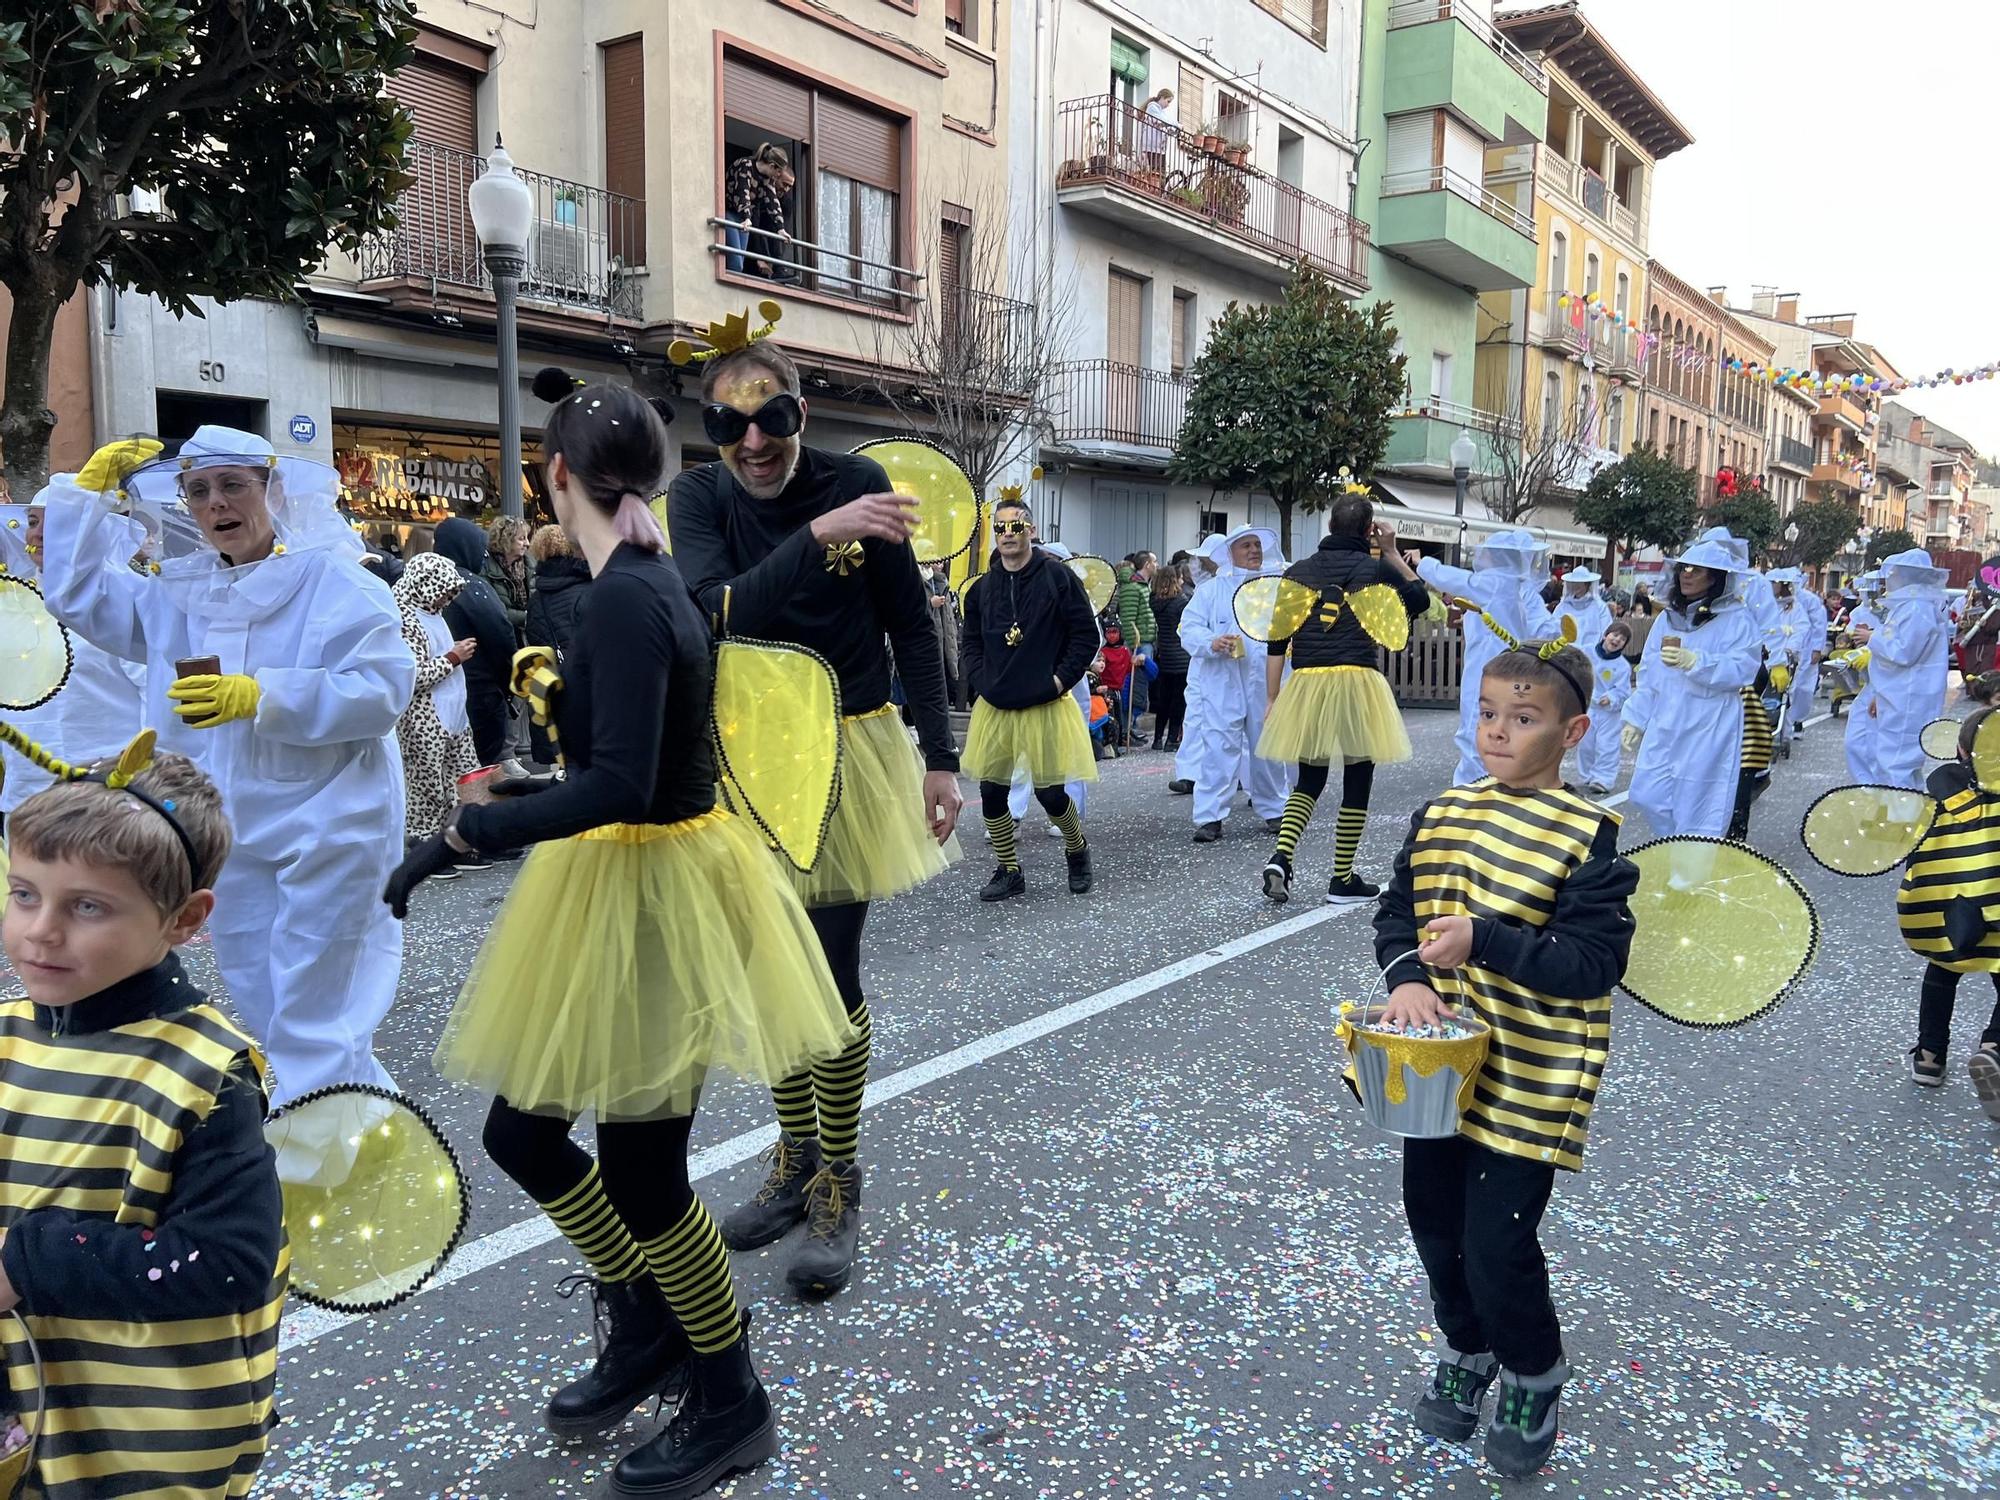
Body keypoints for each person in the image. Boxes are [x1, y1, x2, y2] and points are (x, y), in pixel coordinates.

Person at [387, 381, 852, 1497]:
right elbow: (609, 764)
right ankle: (645, 1320)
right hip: (621, 879)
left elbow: (620, 784)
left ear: (555, 476)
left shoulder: (633, 597)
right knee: (525, 1135)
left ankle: (730, 1395)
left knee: (646, 1173)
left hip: (657, 892)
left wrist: (467, 832)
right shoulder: (625, 585)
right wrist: (523, 783)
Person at [669, 319, 961, 1297]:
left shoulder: (857, 487)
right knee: (767, 972)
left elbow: (908, 628)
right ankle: (792, 1159)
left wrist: (938, 756)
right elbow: (715, 612)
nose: (752, 442)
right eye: (727, 423)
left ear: (802, 411)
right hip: (745, 765)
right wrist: (818, 538)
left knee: (826, 972)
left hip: (845, 755)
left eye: (773, 418)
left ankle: (836, 1174)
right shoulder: (699, 494)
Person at [42, 428, 412, 1105]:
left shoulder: (332, 580)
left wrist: (263, 696)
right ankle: (330, 1137)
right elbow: (79, 597)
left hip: (332, 820)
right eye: (198, 490)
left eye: (232, 484)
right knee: (260, 989)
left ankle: (326, 1153)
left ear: (272, 490)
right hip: (234, 828)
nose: (216, 503)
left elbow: (383, 689)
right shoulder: (178, 594)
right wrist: (83, 500)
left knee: (319, 1007)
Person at [1373, 640, 1638, 1481]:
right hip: (1438, 1069)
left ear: (1572, 733)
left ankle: (1532, 1367)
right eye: (1487, 713)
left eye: (1523, 719)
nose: (1497, 731)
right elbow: (1397, 911)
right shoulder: (1442, 813)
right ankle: (1468, 1345)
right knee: (1434, 1225)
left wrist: (1484, 941)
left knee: (1497, 1243)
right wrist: (1410, 976)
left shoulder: (1592, 837)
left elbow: (1592, 965)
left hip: (1532, 1075)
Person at [0, 750, 288, 1500]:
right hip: (27, 1416)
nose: (42, 932)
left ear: (186, 918)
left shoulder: (205, 1073)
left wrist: (25, 1262)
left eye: (87, 906)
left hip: (145, 1441)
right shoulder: (6, 1036)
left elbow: (227, 1262)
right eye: (24, 894)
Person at [1258, 497, 1425, 904]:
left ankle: (1281, 857)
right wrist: (1391, 552)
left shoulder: (1298, 572)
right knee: (1357, 777)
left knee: (1309, 779)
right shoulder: (1377, 568)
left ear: (1330, 525)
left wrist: (1273, 699)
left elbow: (1277, 640)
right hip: (1356, 679)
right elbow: (1420, 602)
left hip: (1308, 681)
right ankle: (1342, 878)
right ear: (1369, 529)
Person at [961, 495, 1098, 900]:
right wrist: (982, 680)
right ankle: (1008, 869)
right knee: (991, 793)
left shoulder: (1058, 579)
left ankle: (1077, 850)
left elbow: (1085, 636)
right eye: (999, 528)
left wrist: (1058, 682)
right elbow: (970, 643)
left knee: (1051, 793)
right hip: (997, 706)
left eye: (1015, 526)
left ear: (1032, 531)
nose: (1007, 534)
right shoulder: (982, 589)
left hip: (1045, 705)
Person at [0, 494, 146, 822]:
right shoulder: (14, 604)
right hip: (25, 796)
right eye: (33, 521)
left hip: (107, 795)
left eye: (56, 523)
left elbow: (158, 695)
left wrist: (143, 775)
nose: (36, 534)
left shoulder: (124, 600)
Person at [1619, 531, 1762, 839]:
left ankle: (1689, 876)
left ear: (1715, 578)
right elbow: (1649, 674)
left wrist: (1696, 662)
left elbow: (1743, 668)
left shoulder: (1737, 619)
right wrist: (1636, 717)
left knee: (1698, 806)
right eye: (1684, 568)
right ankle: (1674, 851)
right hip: (1666, 718)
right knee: (1648, 793)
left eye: (1696, 569)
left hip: (1709, 723)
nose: (1686, 574)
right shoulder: (1668, 618)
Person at [1898, 707, 2000, 1110]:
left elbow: (1915, 856)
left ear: (1960, 751)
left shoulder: (1940, 798)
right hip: (1997, 909)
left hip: (1947, 911)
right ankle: (1993, 1047)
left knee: (1941, 975)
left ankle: (1929, 1056)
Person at [1181, 524, 1290, 843]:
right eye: (1247, 546)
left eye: (1257, 545)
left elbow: (1289, 627)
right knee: (1219, 745)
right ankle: (1210, 816)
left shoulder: (1273, 588)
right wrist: (1212, 642)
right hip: (1222, 680)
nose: (1254, 550)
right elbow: (1187, 629)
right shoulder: (1211, 591)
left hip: (1265, 679)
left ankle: (1274, 809)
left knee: (1267, 744)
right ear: (1230, 553)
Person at [1416, 531, 1550, 786]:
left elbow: (1453, 579)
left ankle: (1472, 799)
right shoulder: (1517, 588)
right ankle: (1496, 790)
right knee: (1500, 731)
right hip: (1511, 670)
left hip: (1487, 670)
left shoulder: (1495, 583)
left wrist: (1422, 562)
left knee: (1475, 732)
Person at [391, 552, 479, 861]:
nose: (447, 598)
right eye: (443, 591)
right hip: (423, 718)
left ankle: (461, 840)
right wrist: (453, 658)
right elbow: (412, 676)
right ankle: (424, 849)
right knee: (427, 787)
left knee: (464, 781)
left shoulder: (432, 612)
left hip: (453, 713)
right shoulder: (404, 617)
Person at [1848, 549, 1951, 789]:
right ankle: (1904, 814)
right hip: (1898, 696)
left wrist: (1872, 637)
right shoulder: (1911, 606)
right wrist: (1878, 693)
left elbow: (1904, 651)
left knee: (1897, 764)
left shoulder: (1918, 608)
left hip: (1909, 699)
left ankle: (1902, 819)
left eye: (1893, 573)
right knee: (1891, 761)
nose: (1888, 579)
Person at [433, 517, 520, 773]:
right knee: (475, 772)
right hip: (477, 692)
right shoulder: (471, 587)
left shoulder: (421, 583)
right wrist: (509, 682)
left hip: (432, 697)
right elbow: (500, 633)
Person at [526, 523, 591, 765]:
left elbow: (534, 638)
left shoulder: (537, 598)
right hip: (586, 685)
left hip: (553, 684)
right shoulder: (589, 588)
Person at [1767, 567, 1826, 741]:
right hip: (1764, 655)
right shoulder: (1763, 605)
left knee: (1793, 691)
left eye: (1775, 583)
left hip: (1789, 656)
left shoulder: (1796, 607)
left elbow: (1806, 628)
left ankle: (1787, 728)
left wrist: (1793, 648)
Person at [723, 143, 795, 279]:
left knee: (739, 265)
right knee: (736, 263)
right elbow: (741, 192)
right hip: (730, 213)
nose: (777, 176)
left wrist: (780, 228)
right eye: (778, 172)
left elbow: (772, 202)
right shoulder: (746, 165)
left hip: (744, 220)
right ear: (772, 166)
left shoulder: (767, 180)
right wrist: (746, 217)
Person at [1577, 620, 1632, 795]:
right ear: (1605, 635)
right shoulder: (1587, 652)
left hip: (1609, 714)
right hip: (1588, 708)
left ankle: (1603, 779)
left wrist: (1611, 698)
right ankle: (1586, 776)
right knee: (1586, 744)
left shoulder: (1622, 666)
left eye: (1622, 639)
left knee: (1606, 746)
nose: (1617, 640)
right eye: (1615, 635)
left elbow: (1623, 690)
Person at [1149, 561, 1192, 752]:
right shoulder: (1181, 602)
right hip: (1181, 655)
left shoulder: (1154, 601)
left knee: (1163, 699)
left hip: (1165, 654)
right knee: (1178, 700)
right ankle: (1172, 738)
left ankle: (1157, 738)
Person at [1113, 558, 1156, 738]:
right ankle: (1126, 728)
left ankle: (1131, 726)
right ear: (1147, 564)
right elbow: (1129, 618)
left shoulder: (1142, 585)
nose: (1157, 564)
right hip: (1139, 642)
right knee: (1133, 686)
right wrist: (1133, 646)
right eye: (1154, 561)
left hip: (1145, 639)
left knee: (1140, 685)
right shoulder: (1132, 587)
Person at [483, 515, 532, 644]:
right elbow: (494, 609)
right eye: (521, 539)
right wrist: (529, 617)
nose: (527, 543)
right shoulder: (486, 569)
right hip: (502, 638)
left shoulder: (530, 565)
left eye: (527, 538)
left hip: (530, 636)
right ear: (506, 540)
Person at [925, 560, 963, 708]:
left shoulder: (943, 582)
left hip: (946, 641)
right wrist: (929, 604)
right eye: (937, 560)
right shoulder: (919, 579)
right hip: (930, 642)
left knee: (946, 681)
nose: (940, 564)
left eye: (943, 561)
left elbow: (949, 620)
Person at [1099, 622, 1135, 747]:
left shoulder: (1125, 651)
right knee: (1110, 717)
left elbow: (1130, 669)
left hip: (1119, 689)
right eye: (1109, 632)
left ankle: (1120, 739)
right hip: (1106, 690)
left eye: (1115, 632)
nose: (1112, 636)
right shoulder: (1103, 652)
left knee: (1119, 716)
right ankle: (1109, 742)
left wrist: (1135, 662)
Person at [1141, 87, 1175, 173]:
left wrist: (1173, 129)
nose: (1168, 105)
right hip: (1152, 146)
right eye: (1168, 101)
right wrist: (1177, 125)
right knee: (1156, 172)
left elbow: (1165, 123)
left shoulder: (1161, 112)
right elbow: (1163, 120)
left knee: (1160, 172)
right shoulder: (1152, 108)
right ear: (1162, 98)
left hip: (1159, 147)